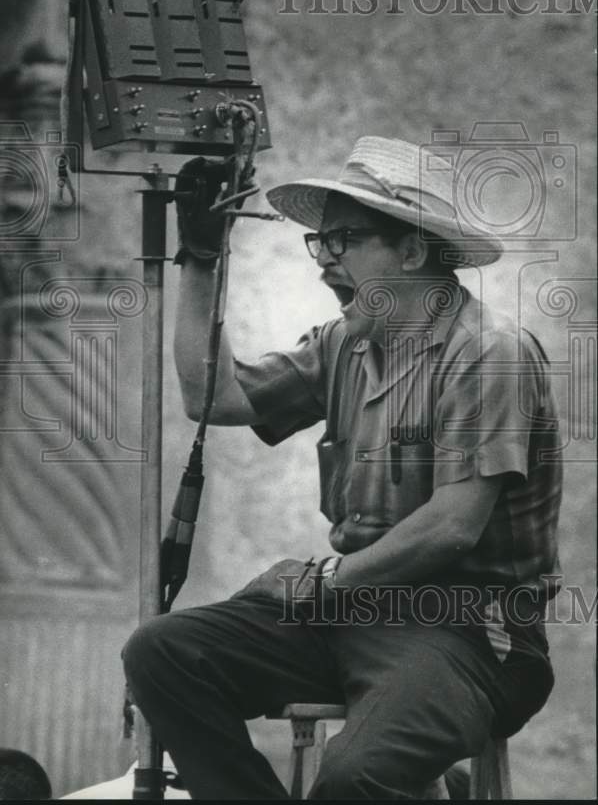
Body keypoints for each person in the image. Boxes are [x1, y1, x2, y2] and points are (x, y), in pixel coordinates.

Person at [122, 135, 562, 800]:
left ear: (413, 249)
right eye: (319, 243)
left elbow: (450, 528)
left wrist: (320, 581)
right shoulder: (347, 342)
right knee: (162, 653)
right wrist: (202, 257)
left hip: (468, 630)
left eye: (345, 241)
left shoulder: (488, 352)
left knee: (357, 776)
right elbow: (214, 397)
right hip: (353, 612)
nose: (325, 260)